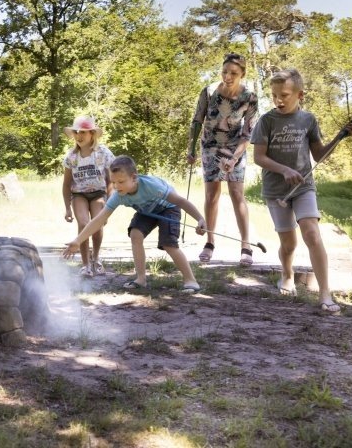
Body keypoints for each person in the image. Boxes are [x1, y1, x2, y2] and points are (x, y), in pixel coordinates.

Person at [251, 68, 352, 315]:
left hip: (303, 187)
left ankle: (325, 294)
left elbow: (319, 155)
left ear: (300, 95)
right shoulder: (266, 121)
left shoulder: (308, 120)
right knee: (288, 243)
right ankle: (287, 275)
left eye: (285, 95)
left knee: (311, 232)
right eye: (275, 95)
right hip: (275, 189)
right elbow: (259, 157)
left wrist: (340, 137)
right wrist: (284, 170)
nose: (279, 100)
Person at [63, 155, 206, 292]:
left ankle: (190, 280)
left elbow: (180, 201)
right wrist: (78, 240)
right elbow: (99, 219)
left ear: (134, 178)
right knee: (135, 235)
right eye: (113, 182)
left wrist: (200, 219)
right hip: (147, 212)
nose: (117, 186)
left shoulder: (152, 186)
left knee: (168, 243)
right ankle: (141, 279)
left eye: (121, 182)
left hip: (168, 208)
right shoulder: (118, 195)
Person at [187, 53, 259, 266]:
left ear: (242, 74)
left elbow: (249, 133)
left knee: (237, 193)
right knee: (212, 195)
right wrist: (191, 149)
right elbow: (197, 120)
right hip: (210, 146)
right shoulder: (209, 91)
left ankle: (246, 246)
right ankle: (209, 242)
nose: (228, 76)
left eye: (233, 73)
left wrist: (235, 158)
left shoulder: (250, 97)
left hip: (235, 146)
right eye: (225, 72)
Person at [62, 115, 115, 277]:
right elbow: (66, 184)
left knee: (97, 224)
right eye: (76, 132)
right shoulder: (71, 157)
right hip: (79, 194)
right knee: (84, 223)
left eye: (83, 132)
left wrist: (109, 204)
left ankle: (96, 258)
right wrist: (67, 209)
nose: (79, 136)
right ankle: (85, 265)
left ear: (92, 134)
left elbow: (111, 180)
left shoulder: (103, 153)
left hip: (99, 193)